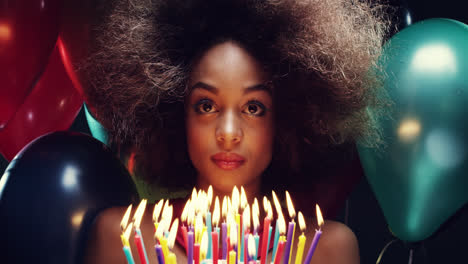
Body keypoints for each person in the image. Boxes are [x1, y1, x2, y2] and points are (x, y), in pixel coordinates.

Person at [80, 0, 391, 263]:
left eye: (253, 108)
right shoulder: (120, 237)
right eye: (206, 106)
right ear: (175, 113)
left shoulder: (329, 249)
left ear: (284, 121)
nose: (228, 134)